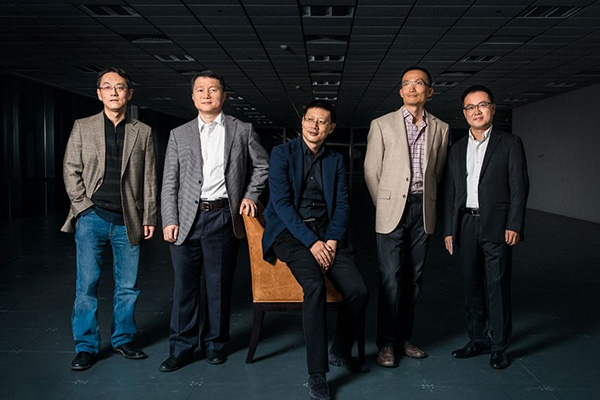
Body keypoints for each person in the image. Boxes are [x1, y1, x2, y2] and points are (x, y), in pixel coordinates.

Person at [159, 70, 269, 372]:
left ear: (224, 95)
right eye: (200, 90)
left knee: (218, 285)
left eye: (213, 89)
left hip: (223, 216)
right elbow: (169, 181)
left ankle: (215, 345)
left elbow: (262, 166)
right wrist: (169, 218)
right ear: (193, 97)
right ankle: (181, 348)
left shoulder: (242, 130)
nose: (206, 95)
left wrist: (249, 195)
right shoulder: (179, 134)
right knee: (184, 287)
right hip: (185, 219)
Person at [262, 100, 369, 400]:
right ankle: (317, 373)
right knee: (314, 286)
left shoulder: (336, 159)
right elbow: (281, 205)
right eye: (310, 119)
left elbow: (343, 204)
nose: (314, 125)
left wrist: (332, 239)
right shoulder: (282, 153)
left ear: (331, 128)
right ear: (302, 122)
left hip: (326, 232)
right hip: (291, 233)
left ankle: (340, 351)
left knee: (359, 291)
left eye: (322, 122)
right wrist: (311, 242)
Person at [62, 67, 157, 371]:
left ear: (129, 93)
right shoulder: (83, 127)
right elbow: (70, 169)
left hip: (128, 220)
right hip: (92, 219)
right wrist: (83, 208)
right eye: (108, 87)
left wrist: (149, 216)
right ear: (99, 93)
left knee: (128, 286)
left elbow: (149, 178)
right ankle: (86, 346)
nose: (114, 92)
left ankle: (123, 339)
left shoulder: (142, 131)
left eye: (120, 87)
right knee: (87, 286)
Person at [364, 66, 449, 367]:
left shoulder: (441, 128)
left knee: (414, 279)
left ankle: (405, 339)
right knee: (390, 277)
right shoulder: (382, 124)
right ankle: (385, 344)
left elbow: (438, 171)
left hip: (422, 209)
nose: (412, 88)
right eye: (406, 84)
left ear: (430, 91)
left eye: (419, 83)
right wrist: (385, 204)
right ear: (400, 91)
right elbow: (371, 170)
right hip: (391, 210)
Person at [443, 85, 529, 369]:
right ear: (464, 113)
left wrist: (514, 223)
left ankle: (499, 346)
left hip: (498, 224)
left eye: (482, 105)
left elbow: (519, 186)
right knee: (471, 286)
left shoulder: (510, 143)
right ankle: (477, 339)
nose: (476, 111)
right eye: (470, 107)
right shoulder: (456, 149)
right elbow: (450, 192)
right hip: (466, 223)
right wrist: (449, 229)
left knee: (497, 285)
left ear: (492, 108)